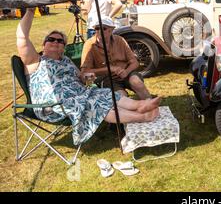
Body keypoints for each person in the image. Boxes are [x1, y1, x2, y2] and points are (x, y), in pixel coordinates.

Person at [16, 8, 160, 146]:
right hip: (54, 105)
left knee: (104, 94)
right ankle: (141, 117)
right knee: (95, 104)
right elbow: (22, 37)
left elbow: (81, 77)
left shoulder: (66, 60)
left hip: (78, 96)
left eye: (60, 41)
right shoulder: (35, 61)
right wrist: (29, 11)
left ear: (63, 47)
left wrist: (87, 78)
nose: (55, 42)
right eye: (51, 39)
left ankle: (140, 105)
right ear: (44, 44)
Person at [80, 17, 152, 100]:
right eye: (97, 28)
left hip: (126, 74)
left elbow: (134, 62)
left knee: (137, 83)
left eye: (103, 28)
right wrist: (108, 69)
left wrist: (126, 71)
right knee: (121, 96)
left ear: (111, 30)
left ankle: (152, 107)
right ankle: (134, 110)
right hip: (107, 78)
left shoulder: (120, 40)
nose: (99, 31)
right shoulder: (90, 44)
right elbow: (85, 72)